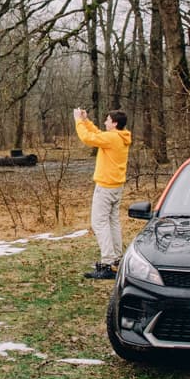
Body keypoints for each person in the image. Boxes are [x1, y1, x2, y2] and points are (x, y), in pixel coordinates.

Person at [73, 107, 132, 279]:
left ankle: (107, 262)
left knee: (99, 223)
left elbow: (88, 138)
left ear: (114, 123)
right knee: (112, 222)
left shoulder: (112, 137)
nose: (105, 122)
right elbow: (98, 134)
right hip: (117, 186)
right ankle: (116, 260)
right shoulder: (120, 136)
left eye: (107, 120)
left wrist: (78, 120)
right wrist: (86, 121)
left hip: (106, 187)